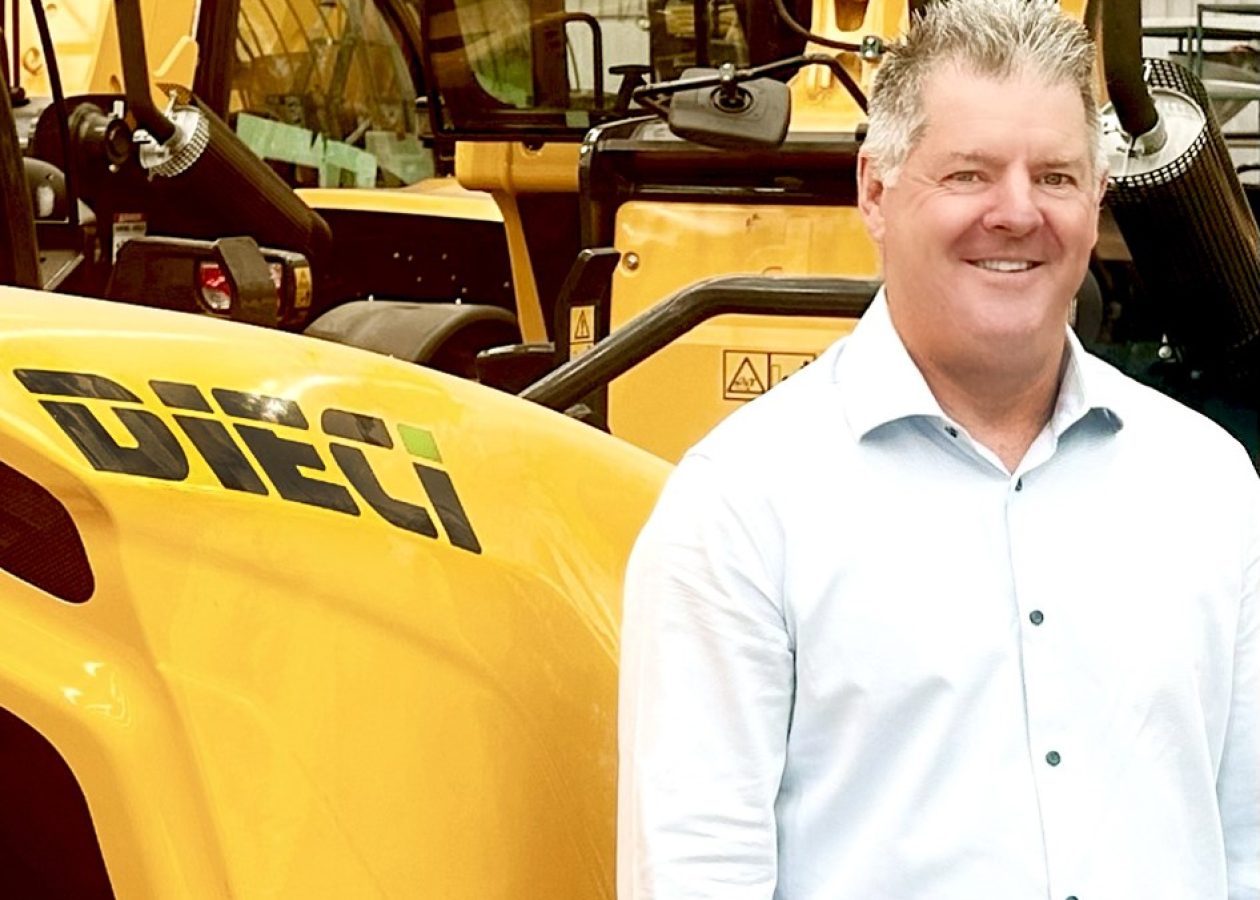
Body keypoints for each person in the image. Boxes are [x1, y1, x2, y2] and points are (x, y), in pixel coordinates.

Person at [616, 1, 1260, 898]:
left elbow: (1246, 846)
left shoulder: (1209, 486)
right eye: (968, 174)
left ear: (1097, 198)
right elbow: (697, 872)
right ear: (874, 192)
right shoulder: (741, 508)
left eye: (1057, 176)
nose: (1017, 212)